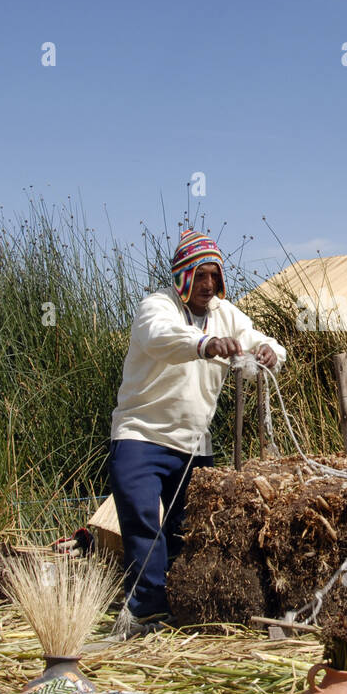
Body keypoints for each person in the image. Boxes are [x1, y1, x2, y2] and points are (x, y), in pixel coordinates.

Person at [109, 228, 287, 636]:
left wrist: (268, 353)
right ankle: (146, 614)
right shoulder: (156, 306)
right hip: (141, 435)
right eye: (200, 275)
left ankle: (184, 610)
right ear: (183, 278)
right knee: (142, 525)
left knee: (187, 532)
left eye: (214, 276)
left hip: (194, 443)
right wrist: (205, 345)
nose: (208, 285)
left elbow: (270, 344)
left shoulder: (227, 314)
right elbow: (162, 339)